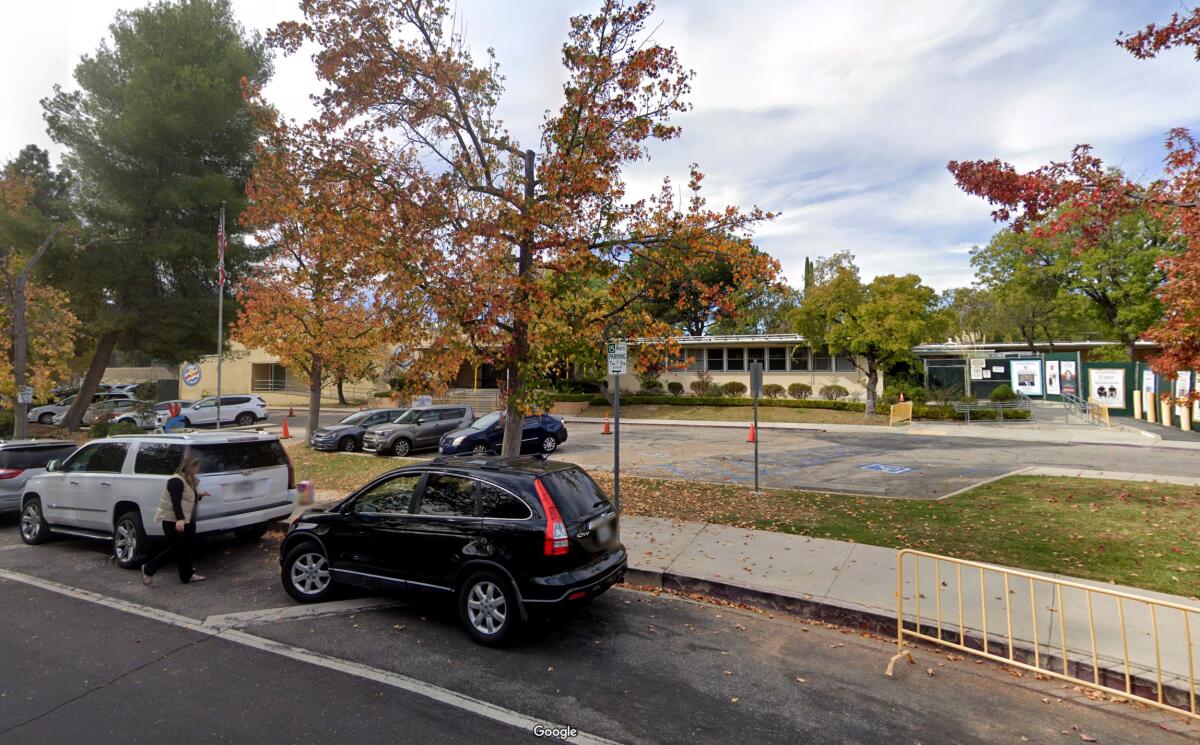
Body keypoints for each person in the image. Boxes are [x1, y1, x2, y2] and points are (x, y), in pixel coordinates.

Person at [142, 451, 209, 585]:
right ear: (190, 467)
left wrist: (200, 495)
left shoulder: (188, 481)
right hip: (173, 521)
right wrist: (180, 519)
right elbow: (176, 501)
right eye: (197, 467)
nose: (198, 470)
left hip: (187, 520)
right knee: (176, 548)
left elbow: (186, 498)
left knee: (186, 547)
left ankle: (187, 575)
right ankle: (149, 568)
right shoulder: (176, 480)